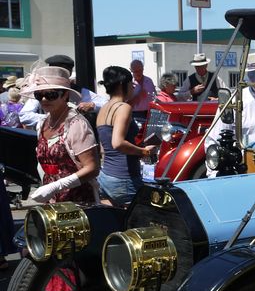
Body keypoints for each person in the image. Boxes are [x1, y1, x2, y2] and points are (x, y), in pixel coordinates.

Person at [21, 66, 100, 204]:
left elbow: (92, 168)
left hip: (77, 202)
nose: (44, 99)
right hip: (52, 201)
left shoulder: (76, 124)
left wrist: (56, 186)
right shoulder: (43, 123)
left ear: (65, 95)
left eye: (51, 95)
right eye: (39, 95)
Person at [95, 66, 157, 205]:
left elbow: (103, 148)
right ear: (124, 84)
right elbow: (117, 143)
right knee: (138, 220)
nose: (133, 88)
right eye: (131, 84)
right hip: (124, 178)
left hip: (106, 176)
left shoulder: (103, 109)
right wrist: (144, 151)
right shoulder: (123, 108)